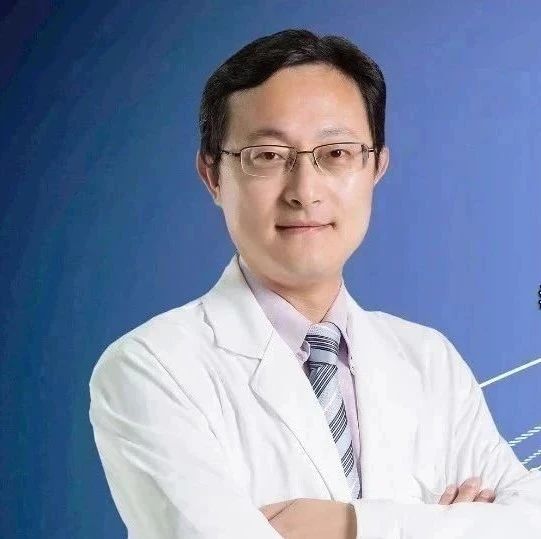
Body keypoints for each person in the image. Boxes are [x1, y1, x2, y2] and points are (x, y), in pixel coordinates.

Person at [88, 29, 541, 538]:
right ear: (212, 175)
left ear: (376, 166)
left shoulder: (428, 360)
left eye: (337, 153)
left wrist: (351, 525)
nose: (305, 191)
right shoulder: (151, 368)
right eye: (267, 155)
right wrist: (454, 524)